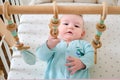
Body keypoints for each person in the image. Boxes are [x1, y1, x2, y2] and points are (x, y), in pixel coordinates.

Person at [36, 14, 94, 79]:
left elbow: (91, 57)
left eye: (76, 26)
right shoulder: (54, 43)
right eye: (66, 24)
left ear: (82, 33)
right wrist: (49, 45)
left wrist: (82, 63)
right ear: (57, 28)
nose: (71, 27)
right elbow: (40, 56)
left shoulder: (84, 44)